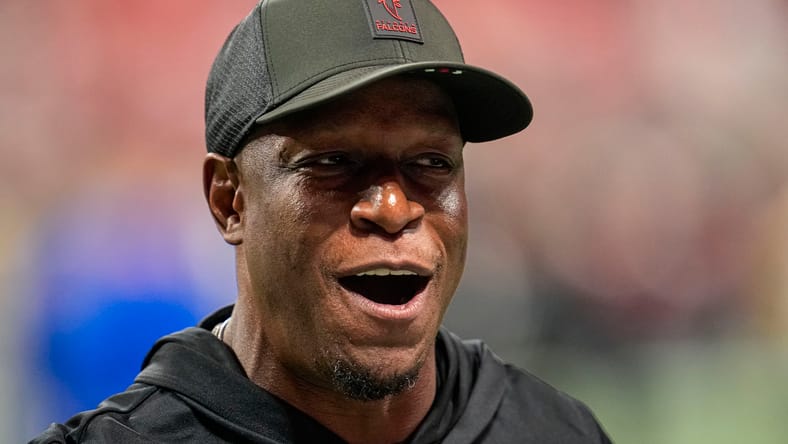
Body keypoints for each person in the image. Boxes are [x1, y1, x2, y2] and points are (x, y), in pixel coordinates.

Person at [31, 0, 612, 442]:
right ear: (229, 200)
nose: (393, 208)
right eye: (334, 163)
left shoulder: (555, 429)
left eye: (431, 164)